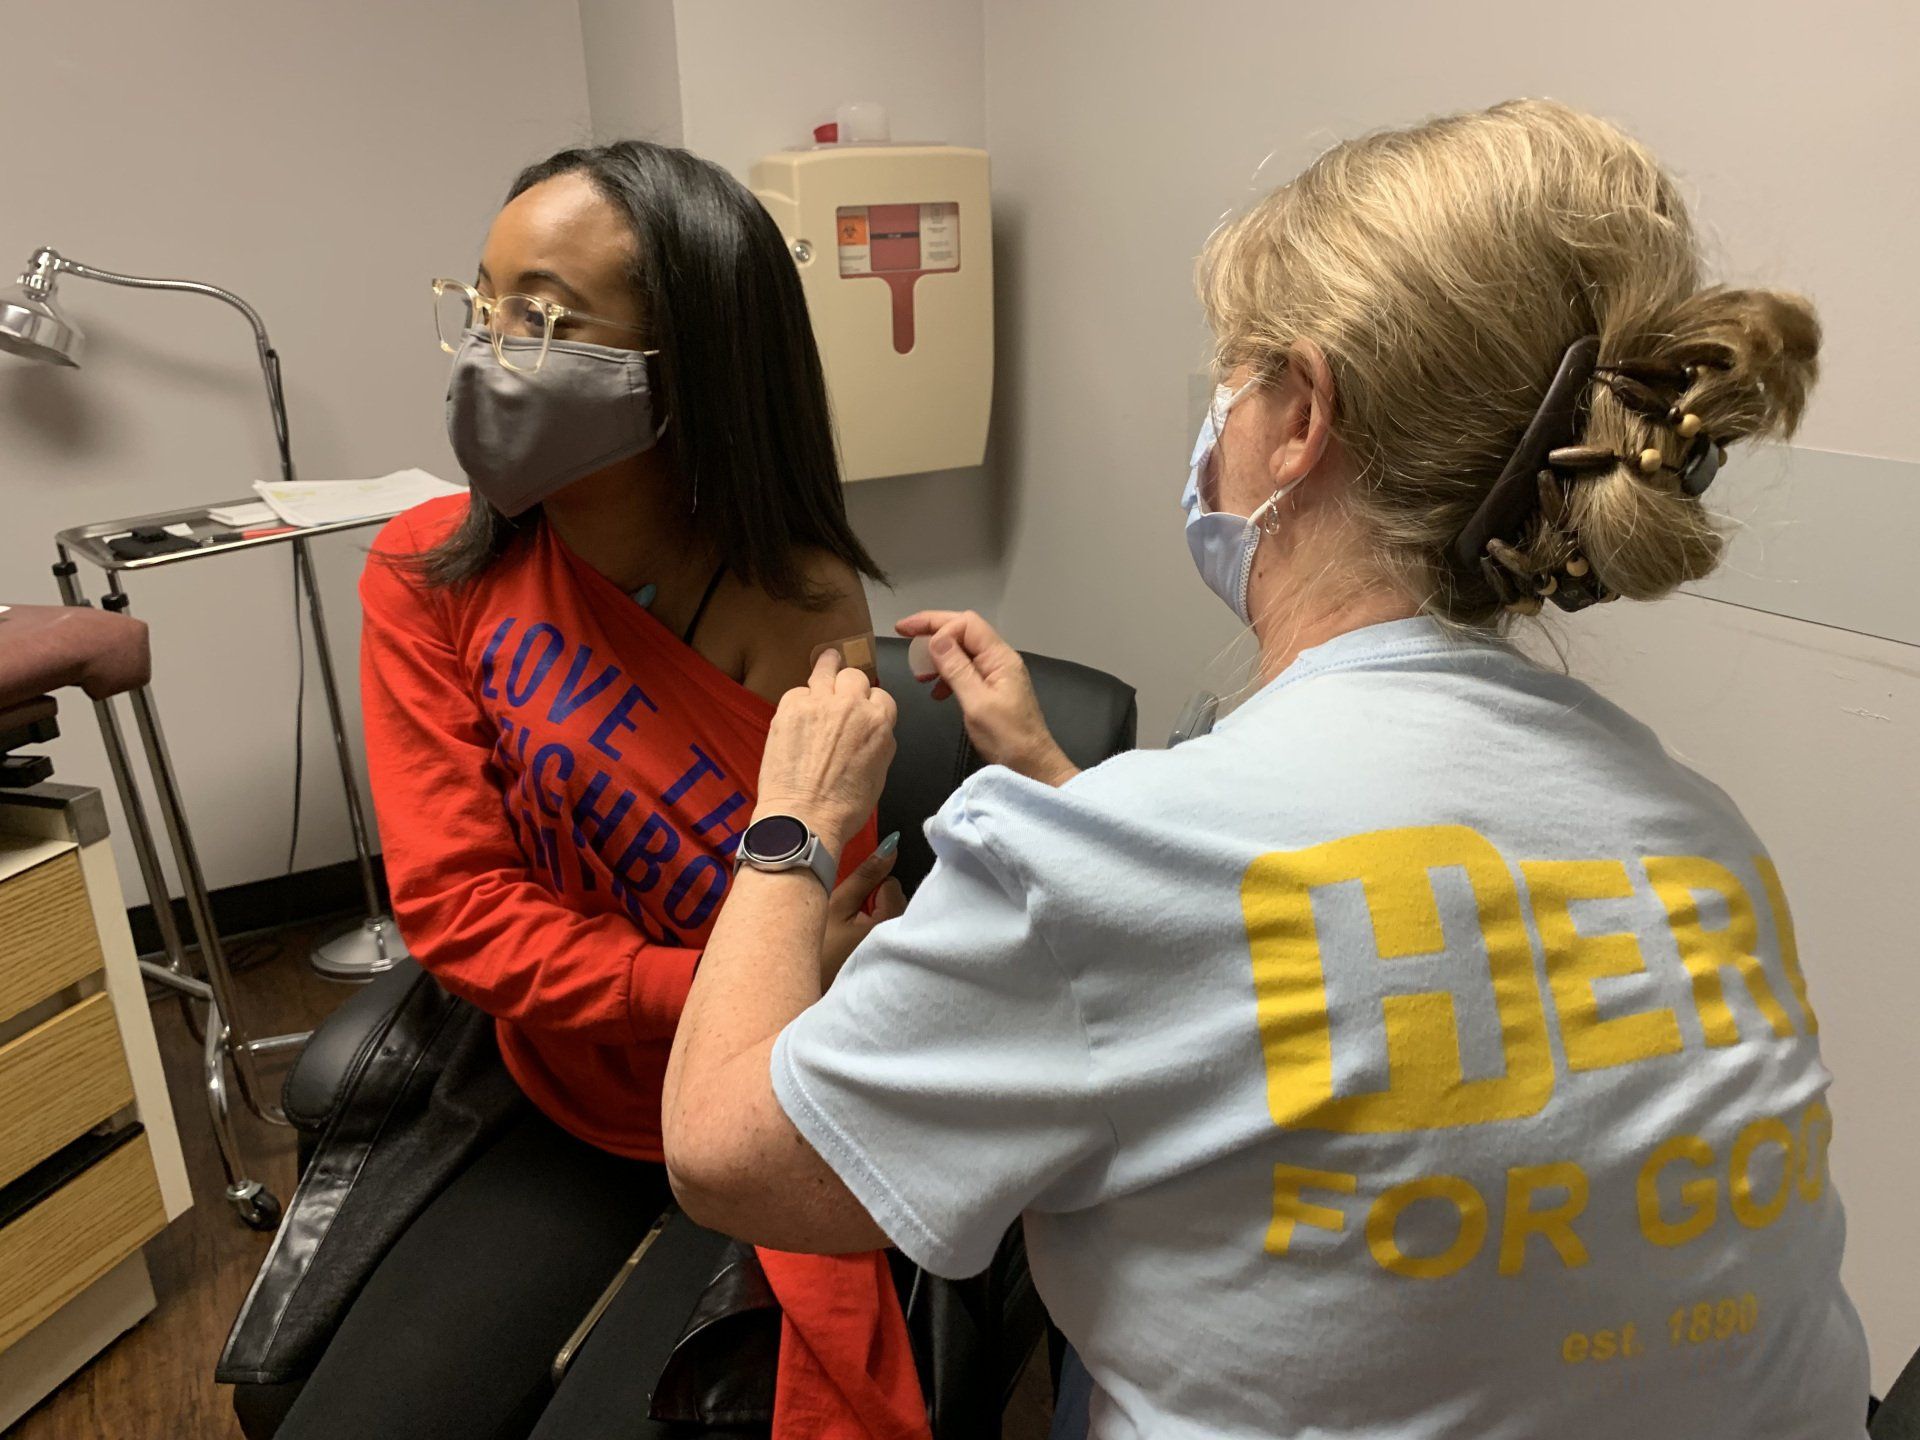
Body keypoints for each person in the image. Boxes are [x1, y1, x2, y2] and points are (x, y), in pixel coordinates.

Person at [660, 100, 1869, 1439]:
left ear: (1299, 415)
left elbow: (728, 1153)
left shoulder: (1117, 865)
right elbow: (1332, 983)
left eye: (1234, 384)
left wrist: (794, 824)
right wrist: (1060, 778)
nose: (1218, 424)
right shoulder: (1701, 834)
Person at [270, 140, 914, 1440]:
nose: (489, 350)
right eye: (482, 303)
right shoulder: (427, 576)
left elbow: (831, 962)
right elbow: (458, 913)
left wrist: (784, 966)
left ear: (696, 367)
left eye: (545, 318)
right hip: (551, 1086)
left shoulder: (806, 610)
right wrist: (707, 976)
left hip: (757, 1108)